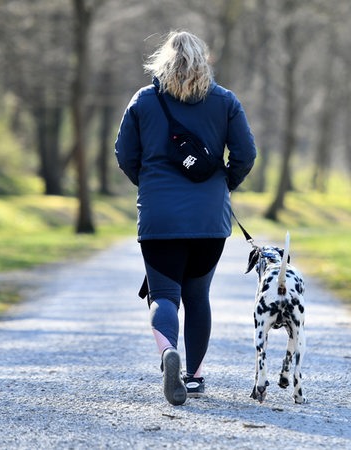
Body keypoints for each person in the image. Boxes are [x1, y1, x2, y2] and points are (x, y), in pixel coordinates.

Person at [114, 31, 256, 406]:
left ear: (162, 62)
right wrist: (226, 182)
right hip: (210, 219)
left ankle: (167, 355)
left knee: (163, 295)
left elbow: (124, 153)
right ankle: (193, 377)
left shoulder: (144, 101)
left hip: (159, 218)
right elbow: (246, 153)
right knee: (198, 296)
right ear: (204, 62)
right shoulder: (225, 101)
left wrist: (147, 184)